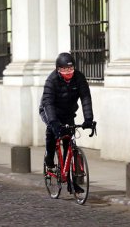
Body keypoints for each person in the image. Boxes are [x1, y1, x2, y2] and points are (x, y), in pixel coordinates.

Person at [39, 52, 95, 193]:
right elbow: (48, 103)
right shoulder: (51, 81)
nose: (68, 72)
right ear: (58, 69)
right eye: (64, 69)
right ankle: (50, 160)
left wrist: (88, 119)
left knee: (69, 143)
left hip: (68, 113)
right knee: (53, 132)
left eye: (70, 69)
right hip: (49, 110)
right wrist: (54, 122)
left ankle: (71, 183)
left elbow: (86, 98)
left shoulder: (79, 78)